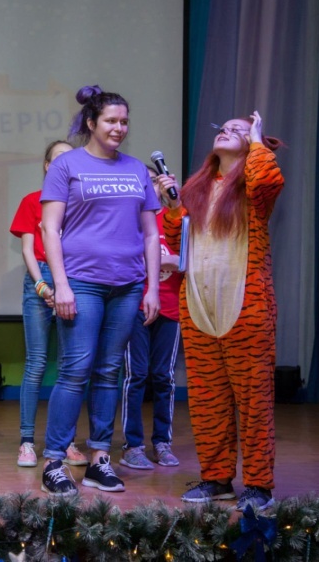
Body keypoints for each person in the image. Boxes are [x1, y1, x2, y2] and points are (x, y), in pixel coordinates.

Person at [157, 111, 284, 512]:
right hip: (199, 304)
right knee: (207, 399)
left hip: (246, 305)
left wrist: (258, 140)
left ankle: (259, 485)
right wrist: (172, 207)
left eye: (238, 130)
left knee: (253, 400)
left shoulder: (253, 185)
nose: (226, 131)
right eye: (224, 128)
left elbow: (268, 180)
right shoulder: (196, 187)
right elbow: (179, 239)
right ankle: (216, 478)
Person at [38, 86, 162, 496]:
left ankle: (99, 461)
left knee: (110, 372)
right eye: (111, 120)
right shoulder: (67, 165)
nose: (119, 128)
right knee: (75, 370)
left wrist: (152, 288)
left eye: (124, 121)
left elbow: (150, 234)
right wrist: (61, 285)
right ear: (91, 123)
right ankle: (54, 462)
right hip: (81, 283)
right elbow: (50, 229)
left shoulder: (137, 170)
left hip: (127, 286)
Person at [9, 140, 88, 468]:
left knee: (71, 367)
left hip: (74, 279)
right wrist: (42, 286)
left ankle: (65, 442)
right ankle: (27, 442)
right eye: (58, 159)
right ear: (46, 166)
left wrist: (66, 285)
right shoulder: (33, 200)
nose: (65, 163)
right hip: (39, 280)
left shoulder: (82, 202)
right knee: (37, 363)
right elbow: (28, 249)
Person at [120, 165, 184, 471]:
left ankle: (162, 443)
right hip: (136, 306)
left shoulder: (177, 217)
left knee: (164, 376)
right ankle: (132, 446)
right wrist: (159, 260)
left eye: (156, 179)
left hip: (171, 307)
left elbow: (192, 257)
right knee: (136, 375)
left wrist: (173, 260)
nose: (152, 185)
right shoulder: (129, 219)